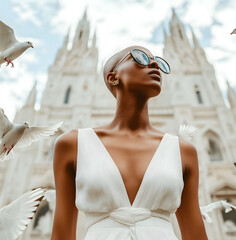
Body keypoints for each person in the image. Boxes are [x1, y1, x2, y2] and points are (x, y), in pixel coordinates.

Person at [51, 46, 208, 240]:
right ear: (113, 77)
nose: (153, 64)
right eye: (140, 58)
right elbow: (62, 234)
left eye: (157, 61)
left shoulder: (183, 150)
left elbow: (195, 234)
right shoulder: (72, 144)